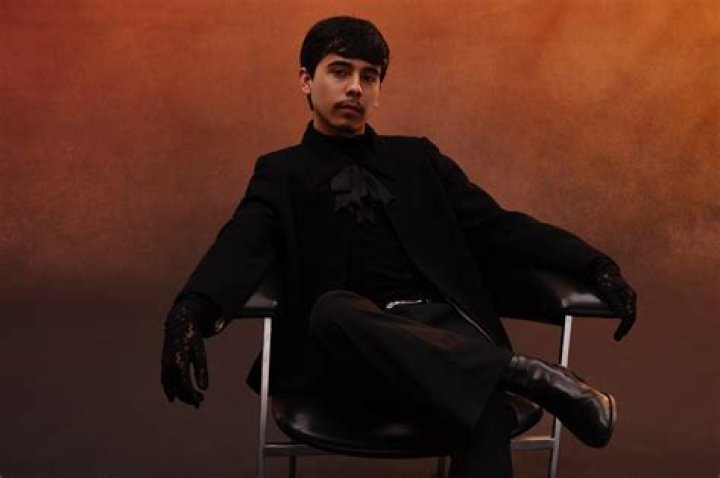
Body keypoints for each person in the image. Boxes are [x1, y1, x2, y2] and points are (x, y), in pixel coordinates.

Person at [161, 16, 637, 477]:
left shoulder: (417, 159)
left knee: (482, 403)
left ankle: (500, 371)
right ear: (306, 80)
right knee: (332, 310)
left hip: (443, 337)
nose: (355, 88)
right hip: (348, 355)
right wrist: (188, 315)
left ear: (378, 91)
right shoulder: (281, 173)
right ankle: (522, 374)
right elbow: (238, 246)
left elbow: (498, 227)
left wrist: (595, 265)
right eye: (340, 71)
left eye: (369, 77)